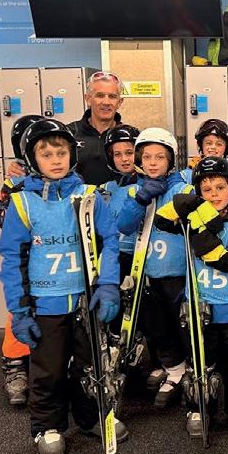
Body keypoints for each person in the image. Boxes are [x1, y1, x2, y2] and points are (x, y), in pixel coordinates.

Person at [0, 118, 125, 454]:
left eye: (61, 153)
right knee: (49, 369)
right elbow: (13, 259)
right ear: (32, 159)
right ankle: (47, 426)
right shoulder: (22, 203)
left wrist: (108, 285)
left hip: (84, 300)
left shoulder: (89, 197)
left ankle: (90, 416)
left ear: (72, 155)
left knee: (89, 364)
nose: (56, 160)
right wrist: (20, 310)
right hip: (46, 304)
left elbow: (109, 242)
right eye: (46, 154)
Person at [167, 157, 228, 435]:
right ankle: (198, 406)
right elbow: (162, 221)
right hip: (200, 305)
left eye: (220, 188)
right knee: (200, 361)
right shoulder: (191, 220)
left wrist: (200, 233)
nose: (214, 195)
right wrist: (180, 204)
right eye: (206, 190)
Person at [116, 127, 195, 407]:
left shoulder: (182, 188)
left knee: (181, 323)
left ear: (170, 160)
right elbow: (124, 226)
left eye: (159, 157)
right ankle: (172, 367)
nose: (152, 163)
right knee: (156, 325)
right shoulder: (135, 190)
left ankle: (190, 368)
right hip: (147, 272)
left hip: (178, 273)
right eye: (147, 157)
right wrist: (140, 199)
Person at [0, 114, 44, 407]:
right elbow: (2, 216)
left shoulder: (61, 172)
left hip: (55, 253)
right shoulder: (14, 181)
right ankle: (15, 367)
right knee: (19, 306)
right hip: (26, 255)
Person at [6, 71, 127, 185]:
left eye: (112, 96)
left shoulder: (131, 139)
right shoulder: (66, 135)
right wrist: (19, 167)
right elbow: (39, 165)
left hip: (121, 200)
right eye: (100, 95)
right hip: (73, 200)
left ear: (120, 102)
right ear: (88, 99)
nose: (106, 102)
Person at [99, 124, 140, 330]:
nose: (124, 159)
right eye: (117, 154)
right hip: (112, 257)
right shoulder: (106, 189)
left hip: (138, 258)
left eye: (129, 153)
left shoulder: (147, 186)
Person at [181, 118, 228, 207]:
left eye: (219, 144)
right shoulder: (186, 175)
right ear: (201, 146)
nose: (213, 147)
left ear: (226, 148)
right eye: (208, 143)